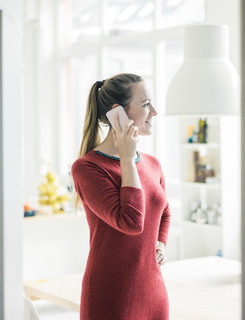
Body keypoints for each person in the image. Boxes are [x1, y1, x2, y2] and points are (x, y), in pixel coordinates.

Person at [71, 73, 171, 319]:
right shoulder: (87, 168)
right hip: (112, 297)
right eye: (146, 104)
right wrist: (127, 158)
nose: (154, 112)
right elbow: (131, 221)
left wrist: (160, 242)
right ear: (118, 113)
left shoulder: (153, 164)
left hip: (154, 293)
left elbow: (164, 212)